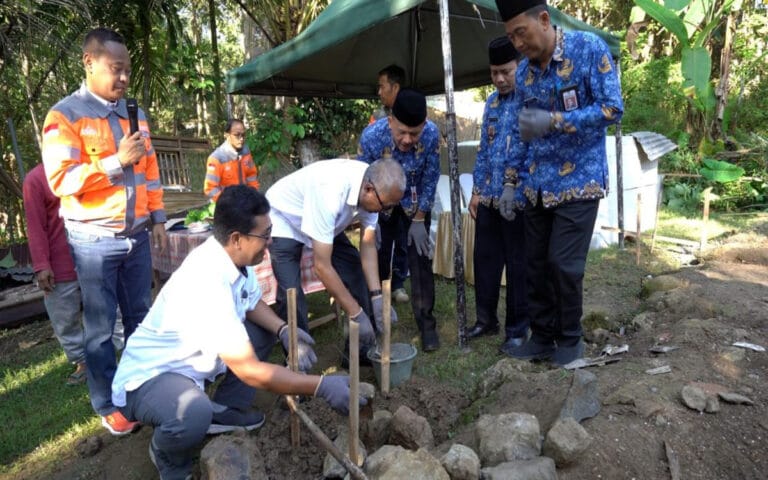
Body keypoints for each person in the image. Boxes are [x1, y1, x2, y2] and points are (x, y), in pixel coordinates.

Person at [112, 185, 363, 480]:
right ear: (236, 238)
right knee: (191, 414)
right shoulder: (208, 280)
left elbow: (252, 300)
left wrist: (283, 329)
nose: (269, 242)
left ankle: (224, 410)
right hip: (151, 378)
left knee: (264, 329)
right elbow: (250, 371)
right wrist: (321, 386)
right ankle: (167, 454)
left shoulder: (234, 259)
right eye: (265, 235)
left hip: (190, 368)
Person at [42, 27, 168, 435]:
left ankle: (139, 385)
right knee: (99, 329)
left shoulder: (136, 113)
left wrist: (159, 217)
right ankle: (106, 404)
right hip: (94, 241)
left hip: (137, 236)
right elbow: (60, 180)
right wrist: (115, 162)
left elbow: (149, 172)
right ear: (89, 63)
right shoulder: (65, 116)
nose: (125, 78)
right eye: (117, 69)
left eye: (128, 70)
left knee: (140, 317)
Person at [495, 0, 623, 365]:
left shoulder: (588, 49)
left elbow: (612, 108)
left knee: (563, 263)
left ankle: (570, 340)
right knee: (533, 263)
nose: (517, 43)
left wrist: (555, 120)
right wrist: (509, 182)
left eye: (521, 32)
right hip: (536, 185)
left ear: (545, 20)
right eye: (511, 36)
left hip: (579, 180)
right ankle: (542, 336)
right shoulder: (524, 75)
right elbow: (520, 132)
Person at [266, 158, 405, 364]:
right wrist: (355, 312)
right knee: (292, 296)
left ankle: (358, 352)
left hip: (327, 222)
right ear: (368, 189)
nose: (385, 212)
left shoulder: (375, 190)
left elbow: (367, 246)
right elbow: (322, 267)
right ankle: (297, 367)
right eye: (385, 206)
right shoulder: (330, 192)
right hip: (285, 219)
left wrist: (376, 297)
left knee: (356, 274)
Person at [357, 89, 442, 351]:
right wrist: (368, 221)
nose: (407, 140)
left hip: (414, 205)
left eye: (414, 133)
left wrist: (419, 219)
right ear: (391, 120)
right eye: (402, 132)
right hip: (379, 207)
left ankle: (426, 326)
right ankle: (376, 318)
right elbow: (361, 181)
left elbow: (430, 178)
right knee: (378, 258)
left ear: (424, 126)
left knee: (420, 262)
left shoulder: (431, 135)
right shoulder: (372, 137)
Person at [466, 36, 530, 353]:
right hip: (489, 198)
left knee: (518, 265)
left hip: (518, 200)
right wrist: (477, 191)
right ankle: (485, 321)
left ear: (520, 65)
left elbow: (532, 150)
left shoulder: (532, 97)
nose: (500, 79)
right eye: (494, 73)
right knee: (486, 261)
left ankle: (518, 329)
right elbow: (484, 150)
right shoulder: (491, 103)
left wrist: (516, 187)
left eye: (506, 71)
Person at [23, 164, 87, 385]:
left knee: (107, 310)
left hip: (95, 256)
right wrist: (41, 265)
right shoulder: (36, 179)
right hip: (59, 264)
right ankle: (82, 361)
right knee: (64, 319)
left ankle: (117, 353)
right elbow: (35, 226)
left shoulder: (88, 167)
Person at [203, 118, 259, 202]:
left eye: (243, 135)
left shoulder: (246, 152)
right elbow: (210, 188)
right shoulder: (216, 158)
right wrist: (228, 203)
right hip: (225, 206)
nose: (241, 138)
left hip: (244, 203)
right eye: (237, 135)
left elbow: (251, 176)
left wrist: (253, 195)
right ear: (226, 135)